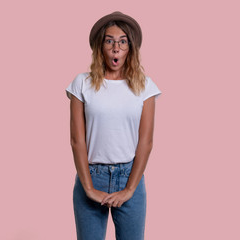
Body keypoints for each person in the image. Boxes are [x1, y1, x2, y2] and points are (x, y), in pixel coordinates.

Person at [65, 11, 161, 240]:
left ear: (130, 48)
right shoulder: (82, 83)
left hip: (130, 176)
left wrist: (129, 190)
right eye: (109, 41)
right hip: (92, 174)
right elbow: (77, 140)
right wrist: (88, 187)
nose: (116, 47)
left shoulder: (144, 86)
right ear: (101, 47)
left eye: (122, 42)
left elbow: (146, 142)